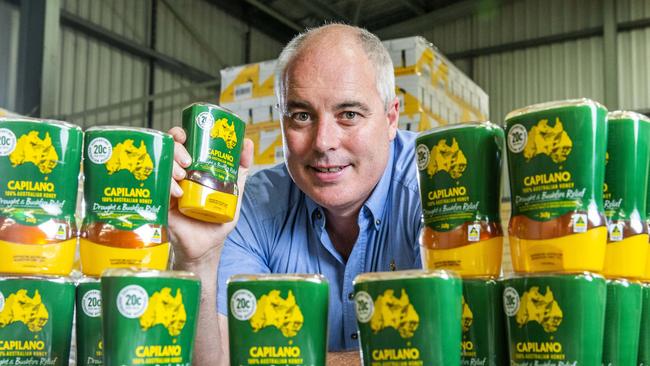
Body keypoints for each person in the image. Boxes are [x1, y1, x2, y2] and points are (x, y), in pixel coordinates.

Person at [168, 23, 422, 366]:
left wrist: (281, 359)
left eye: (348, 115)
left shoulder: (428, 190)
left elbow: (458, 346)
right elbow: (221, 360)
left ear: (391, 119)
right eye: (302, 116)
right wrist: (197, 259)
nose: (323, 142)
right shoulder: (252, 205)